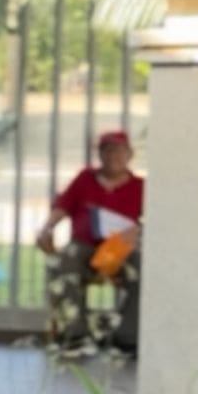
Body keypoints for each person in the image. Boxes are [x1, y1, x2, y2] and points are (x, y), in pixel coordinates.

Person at [37, 130, 143, 358]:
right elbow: (62, 206)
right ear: (100, 154)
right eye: (108, 150)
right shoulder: (85, 179)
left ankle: (126, 337)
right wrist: (47, 228)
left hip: (120, 249)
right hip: (85, 247)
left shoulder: (140, 186)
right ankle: (75, 334)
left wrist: (137, 231)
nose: (113, 156)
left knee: (143, 267)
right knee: (62, 262)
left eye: (119, 151)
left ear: (130, 154)